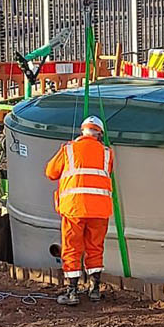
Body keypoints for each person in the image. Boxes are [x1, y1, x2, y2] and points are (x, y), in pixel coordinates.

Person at [44, 115, 113, 306]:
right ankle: (94, 290)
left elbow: (50, 172)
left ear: (82, 131)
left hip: (74, 208)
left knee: (72, 249)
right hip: (99, 209)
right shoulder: (108, 153)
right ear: (100, 134)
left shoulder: (68, 149)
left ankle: (72, 292)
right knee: (95, 248)